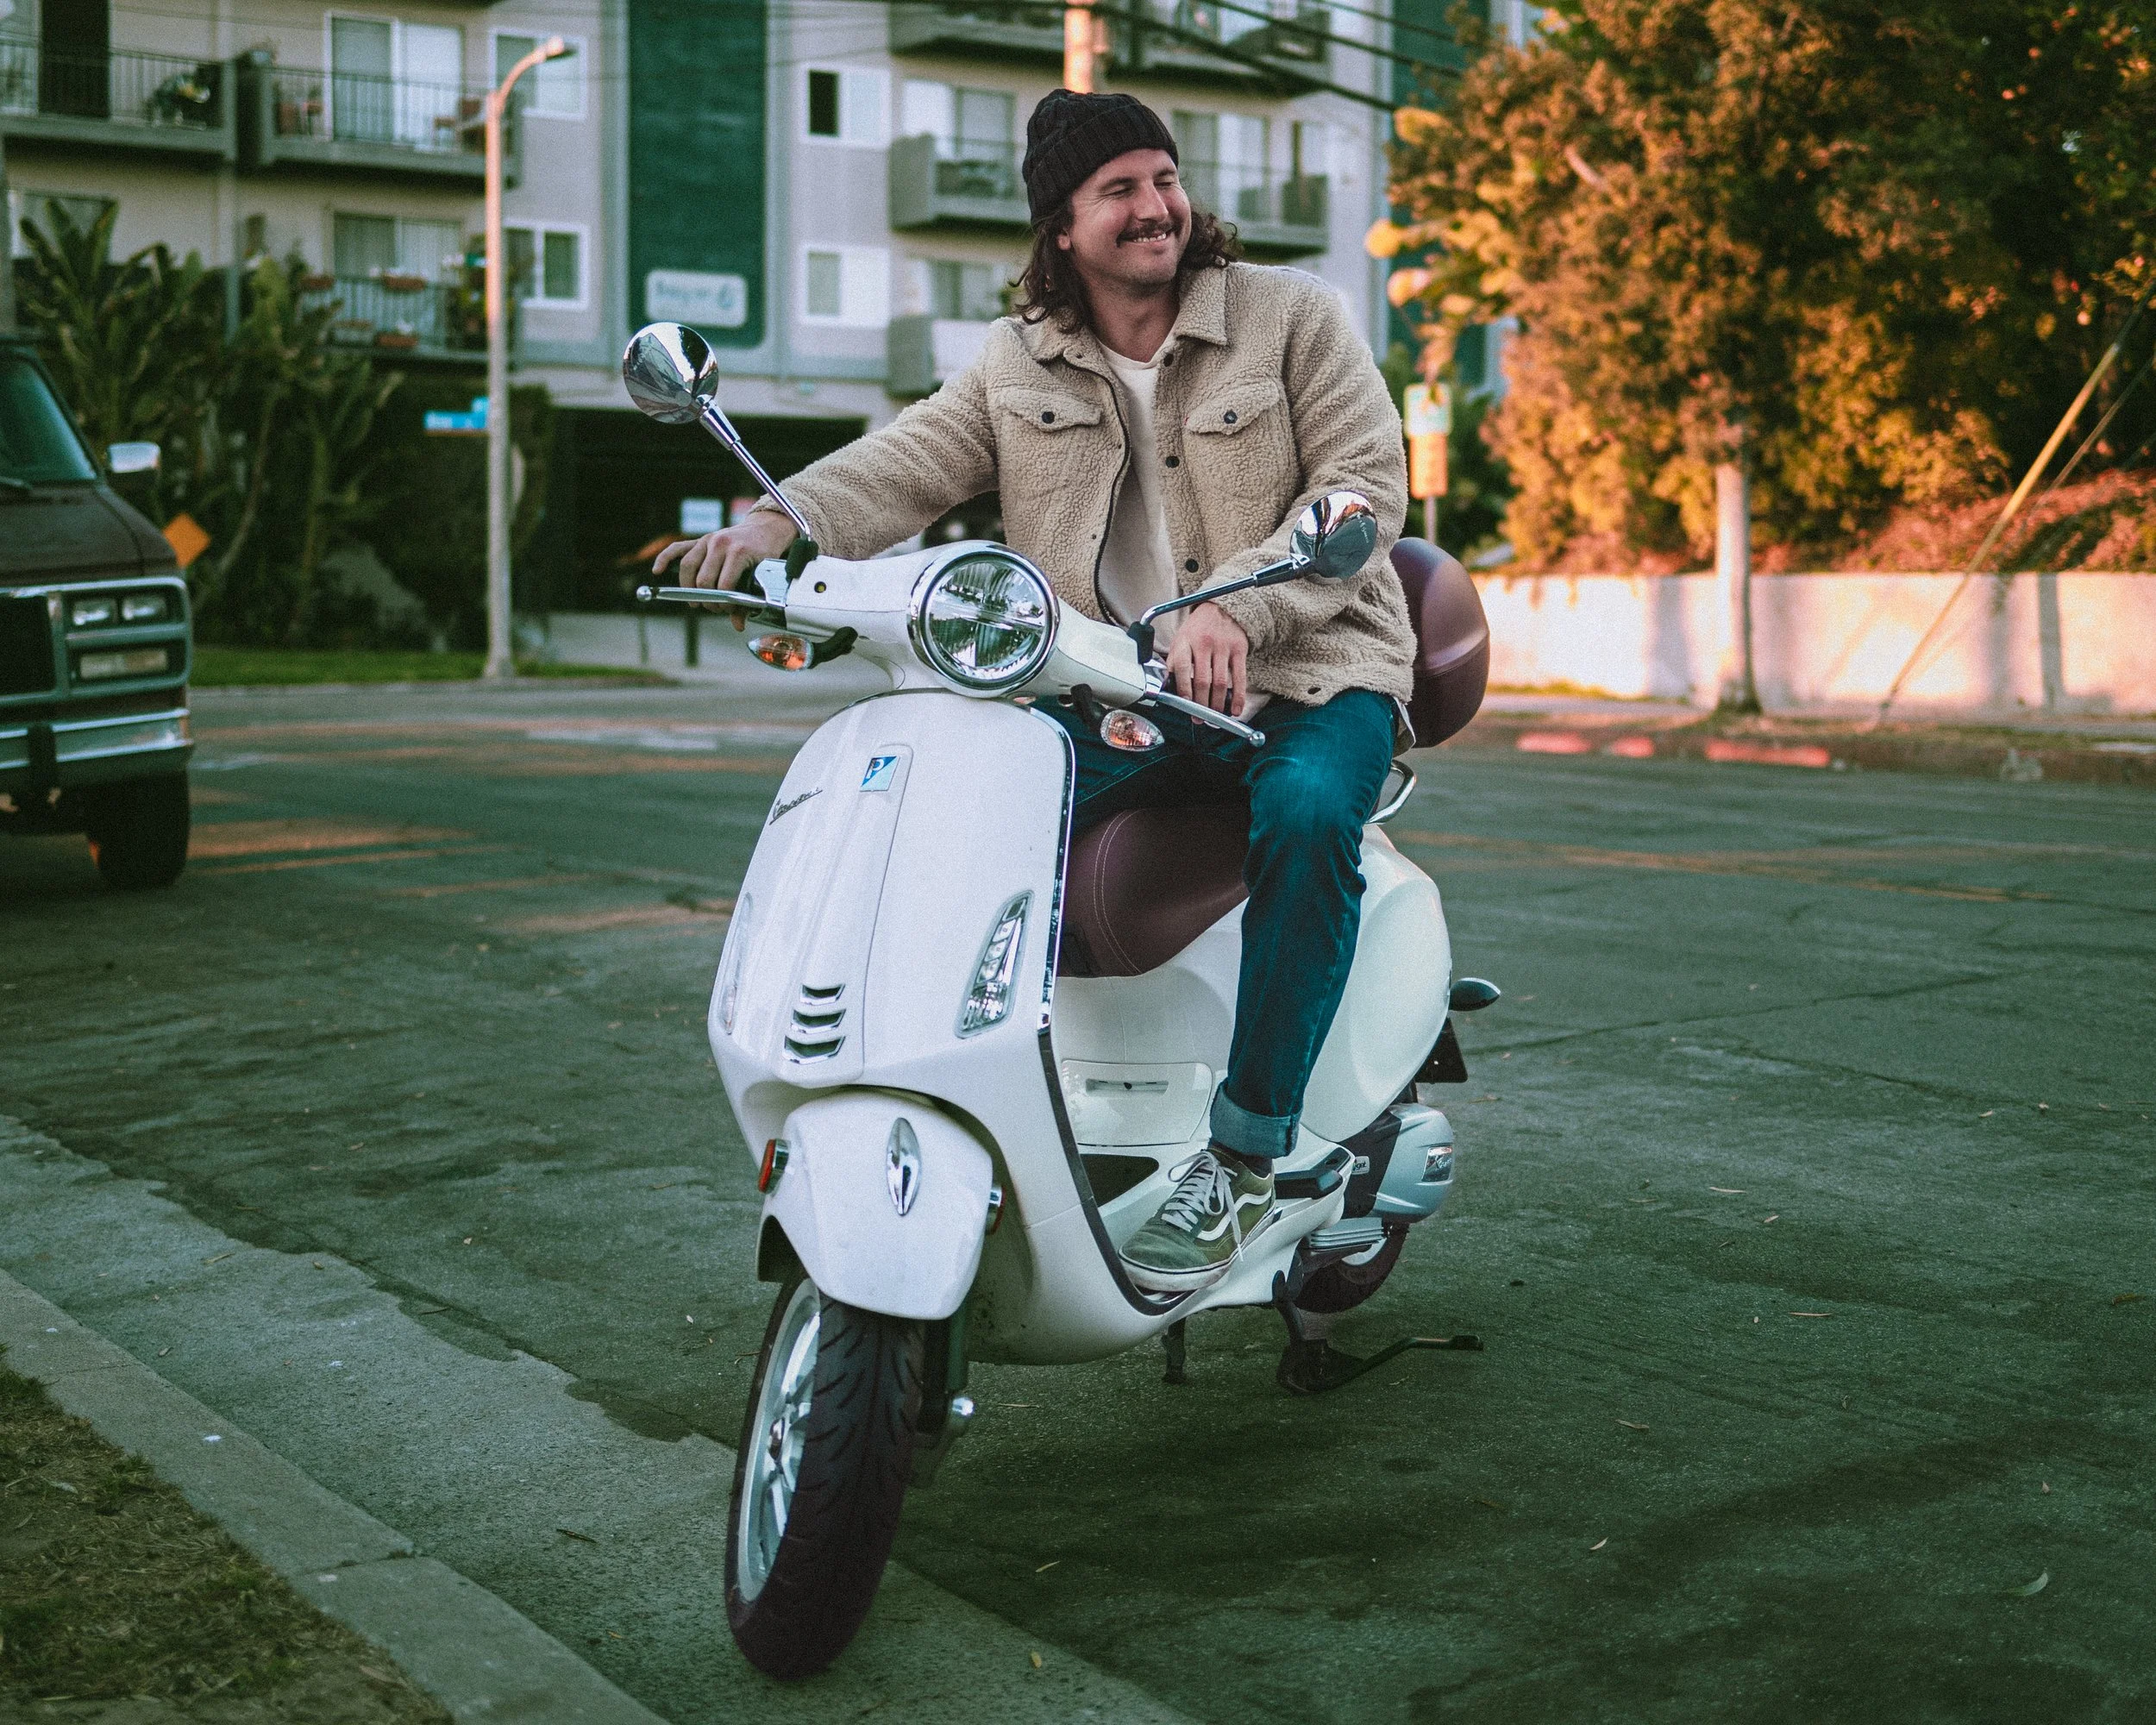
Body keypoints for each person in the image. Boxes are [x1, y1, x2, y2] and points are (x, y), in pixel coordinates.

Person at [656, 90, 1415, 1295]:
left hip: (1310, 669)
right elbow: (913, 458)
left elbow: (1366, 492)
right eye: (1119, 188)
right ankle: (1002, 1110)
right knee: (967, 825)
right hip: (1123, 689)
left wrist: (1242, 604)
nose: (1156, 205)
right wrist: (776, 519)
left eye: (1163, 179)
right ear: (1062, 224)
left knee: (1313, 815)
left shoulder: (1293, 320)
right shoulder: (1023, 357)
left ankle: (1248, 1155)